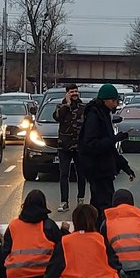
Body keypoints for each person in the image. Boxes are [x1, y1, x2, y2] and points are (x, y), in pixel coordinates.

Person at [77, 84, 136, 211]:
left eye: (117, 101)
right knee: (105, 206)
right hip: (97, 169)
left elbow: (110, 149)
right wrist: (116, 138)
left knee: (99, 205)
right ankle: (102, 229)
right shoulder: (94, 116)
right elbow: (92, 145)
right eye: (113, 101)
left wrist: (125, 167)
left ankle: (96, 228)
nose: (115, 104)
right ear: (104, 100)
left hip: (103, 169)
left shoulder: (104, 114)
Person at [40, 204, 122, 278]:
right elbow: (116, 265)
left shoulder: (65, 242)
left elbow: (53, 271)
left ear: (75, 221)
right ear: (94, 220)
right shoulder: (101, 240)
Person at [4, 190, 66, 278]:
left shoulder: (13, 225)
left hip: (15, 276)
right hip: (42, 276)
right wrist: (64, 231)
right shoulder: (48, 225)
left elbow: (4, 252)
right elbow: (62, 249)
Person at [53, 84, 87, 212]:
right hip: (64, 147)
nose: (74, 93)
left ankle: (81, 200)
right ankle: (64, 202)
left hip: (79, 147)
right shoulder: (61, 107)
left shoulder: (83, 107)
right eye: (71, 92)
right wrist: (66, 105)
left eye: (76, 91)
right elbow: (57, 117)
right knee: (64, 174)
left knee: (81, 174)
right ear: (67, 93)